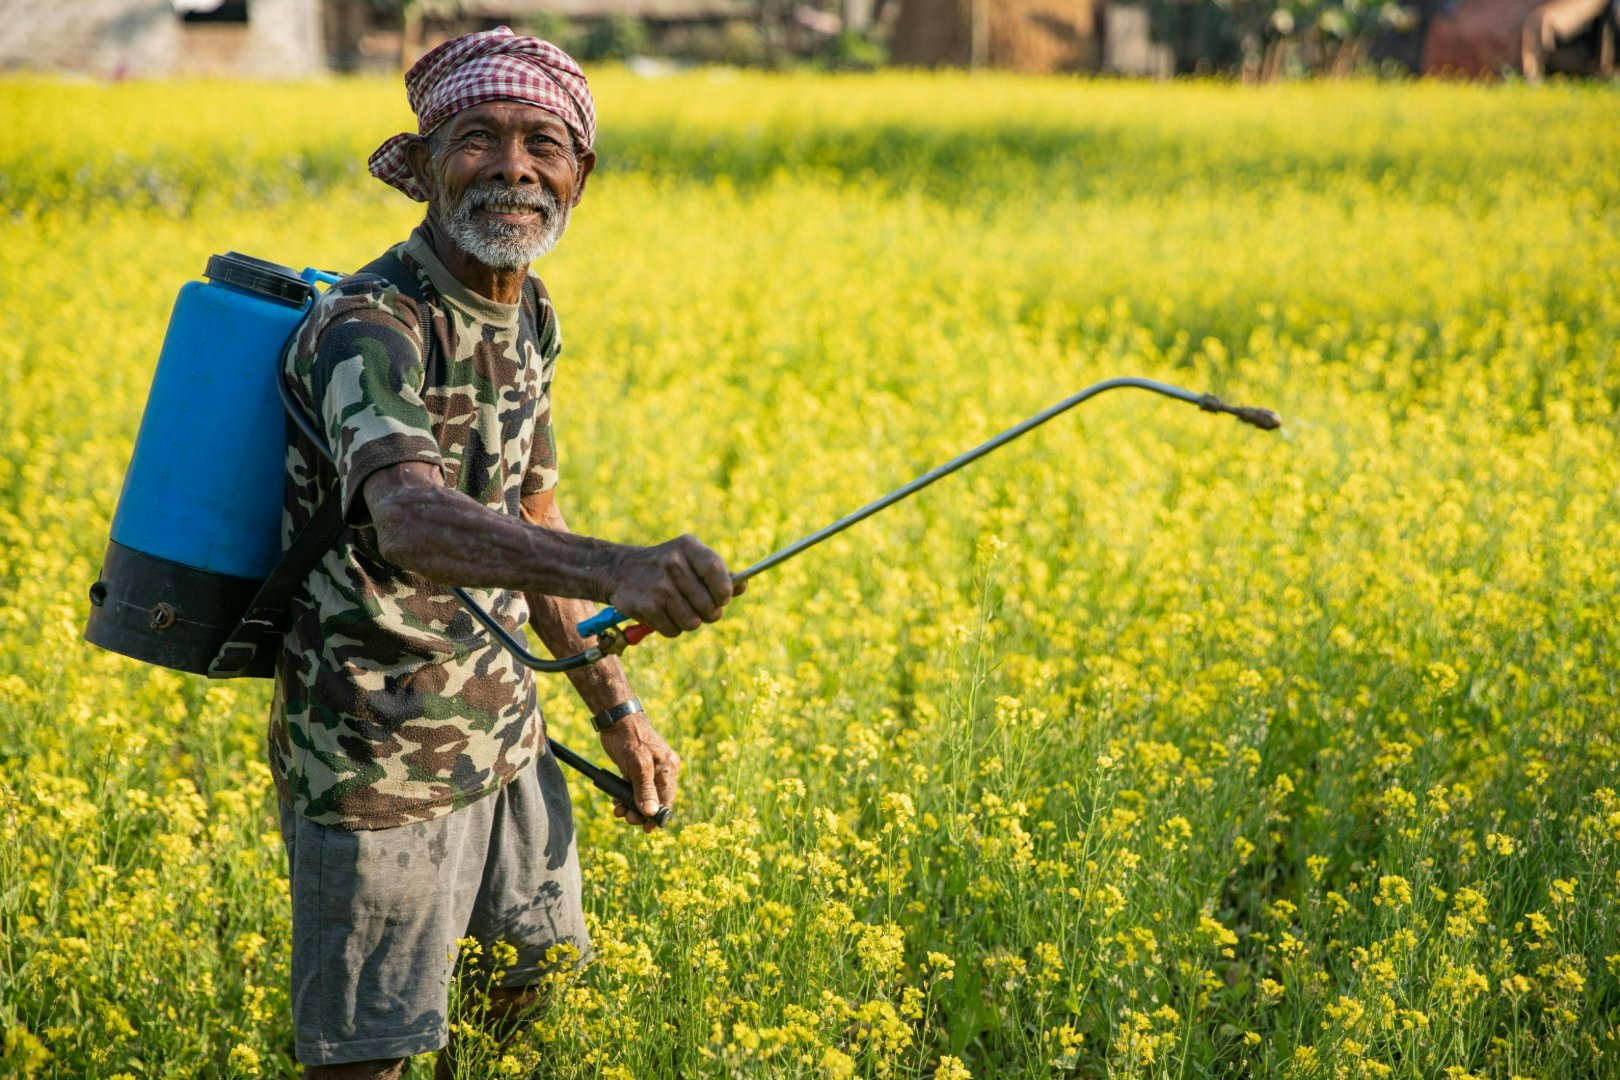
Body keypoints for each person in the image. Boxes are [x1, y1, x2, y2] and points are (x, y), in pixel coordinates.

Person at [269, 27, 739, 1079]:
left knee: (524, 995)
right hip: (377, 754)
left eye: (543, 141)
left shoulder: (528, 309)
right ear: (427, 162)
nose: (514, 166)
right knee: (371, 1054)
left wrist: (615, 712)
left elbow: (537, 518)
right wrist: (619, 569)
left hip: (505, 736)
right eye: (478, 137)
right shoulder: (370, 322)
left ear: (580, 173)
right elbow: (408, 517)